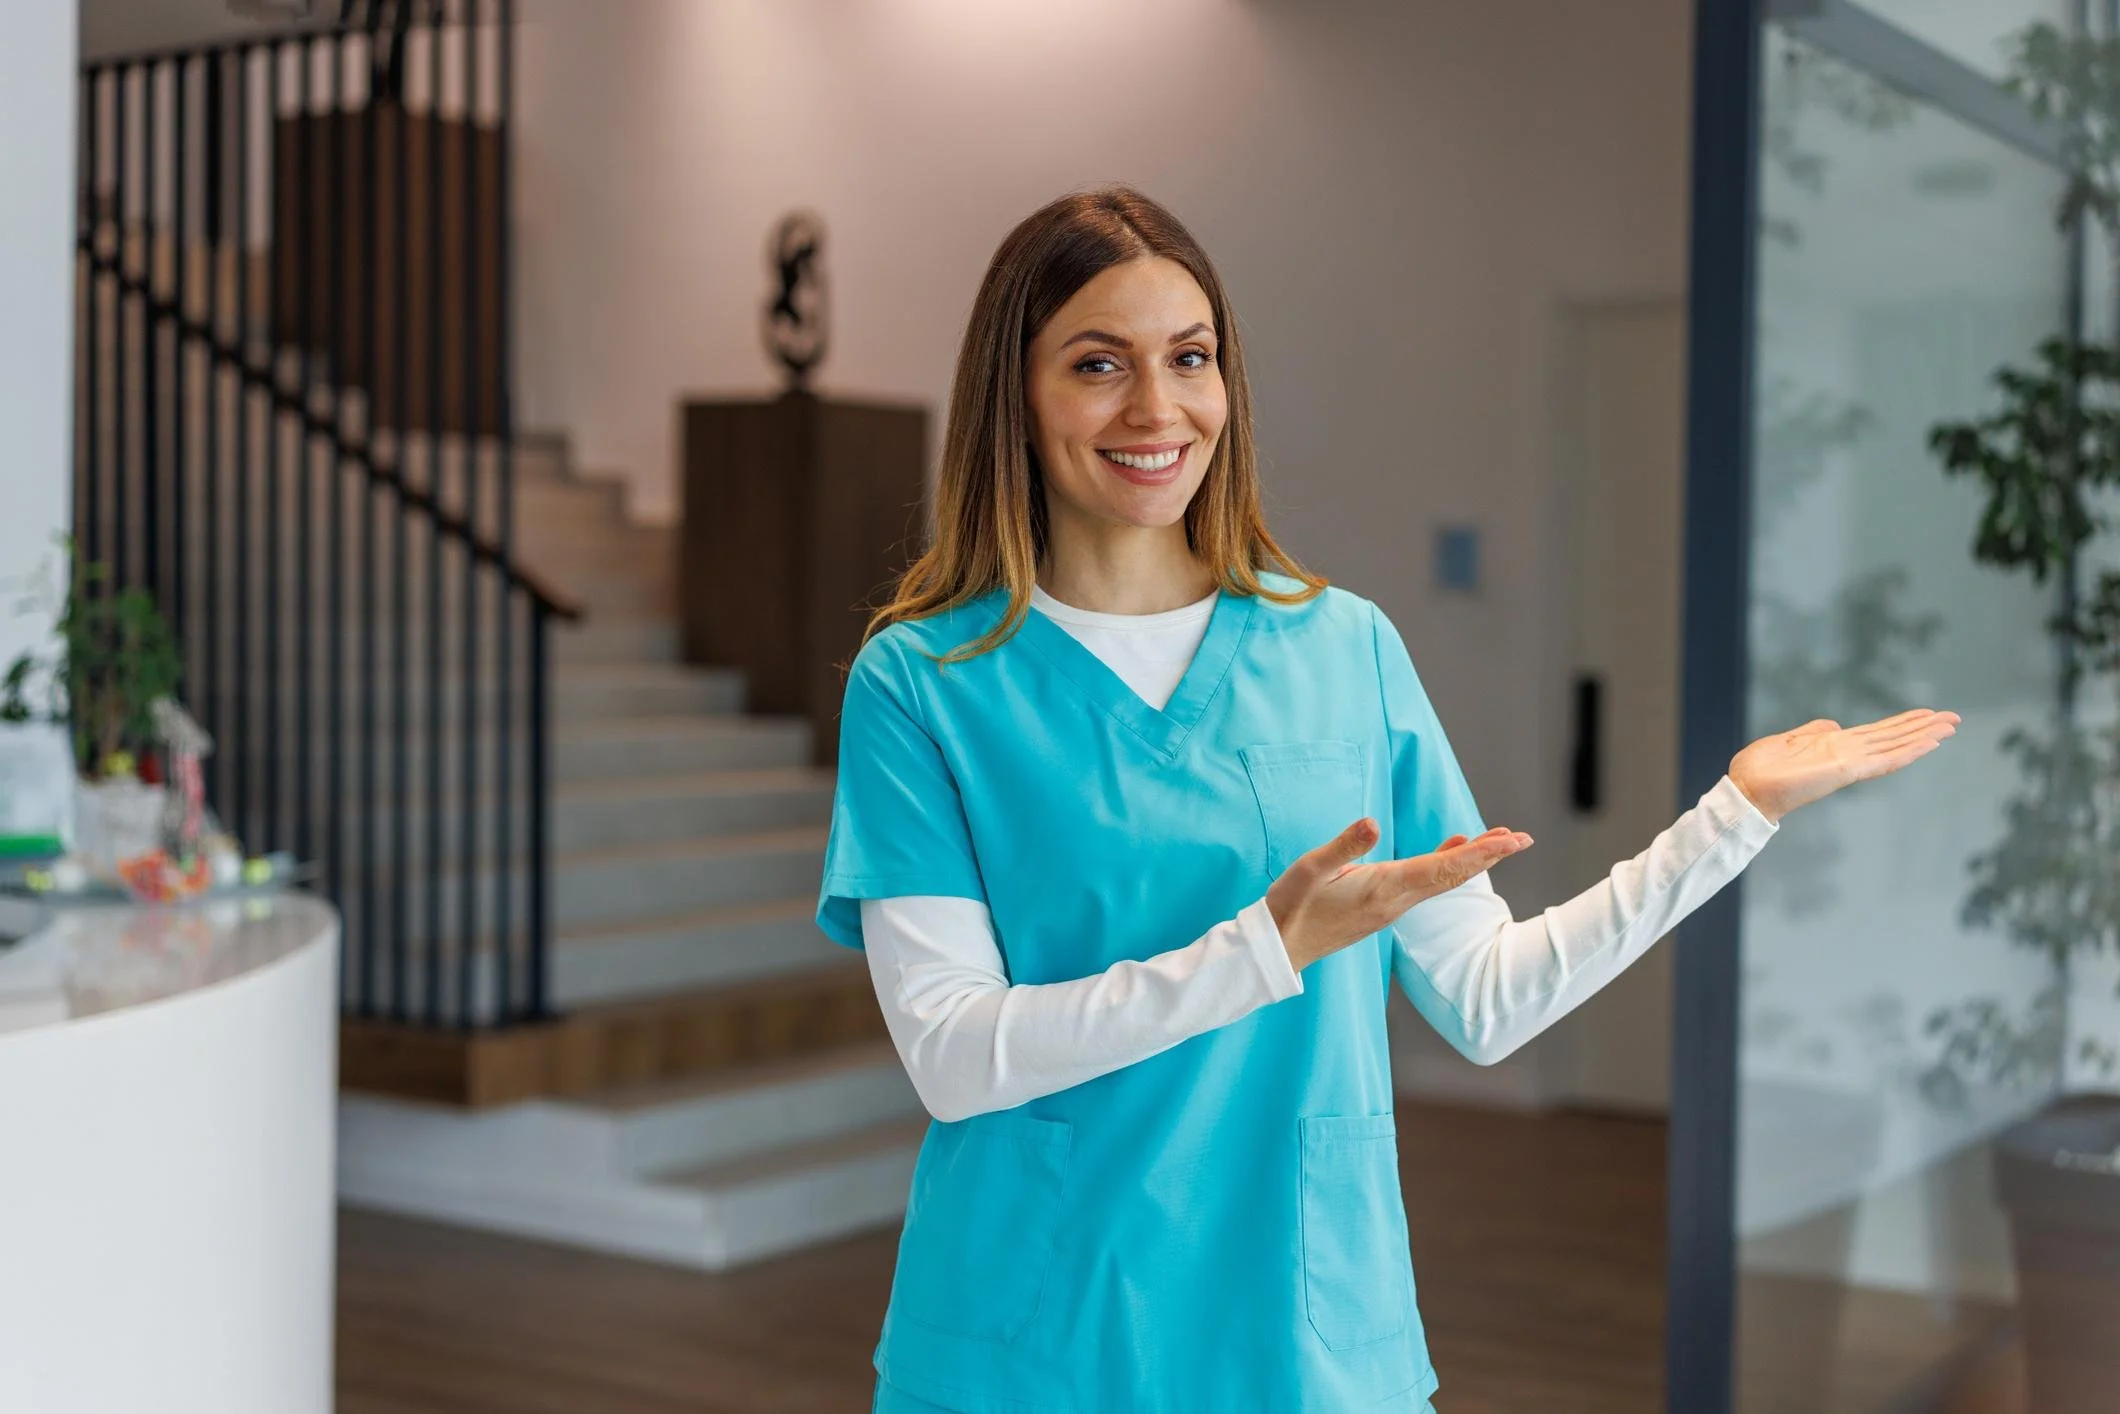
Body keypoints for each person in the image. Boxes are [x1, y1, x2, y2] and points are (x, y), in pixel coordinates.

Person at [813, 186, 1958, 1414]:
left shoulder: (1340, 646)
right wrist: (1264, 948)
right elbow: (952, 1057)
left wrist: (1730, 817)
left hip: (1302, 1328)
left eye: (1188, 358)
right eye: (1098, 363)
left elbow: (1485, 999)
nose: (1156, 408)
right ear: (1016, 392)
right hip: (1034, 1333)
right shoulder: (926, 681)